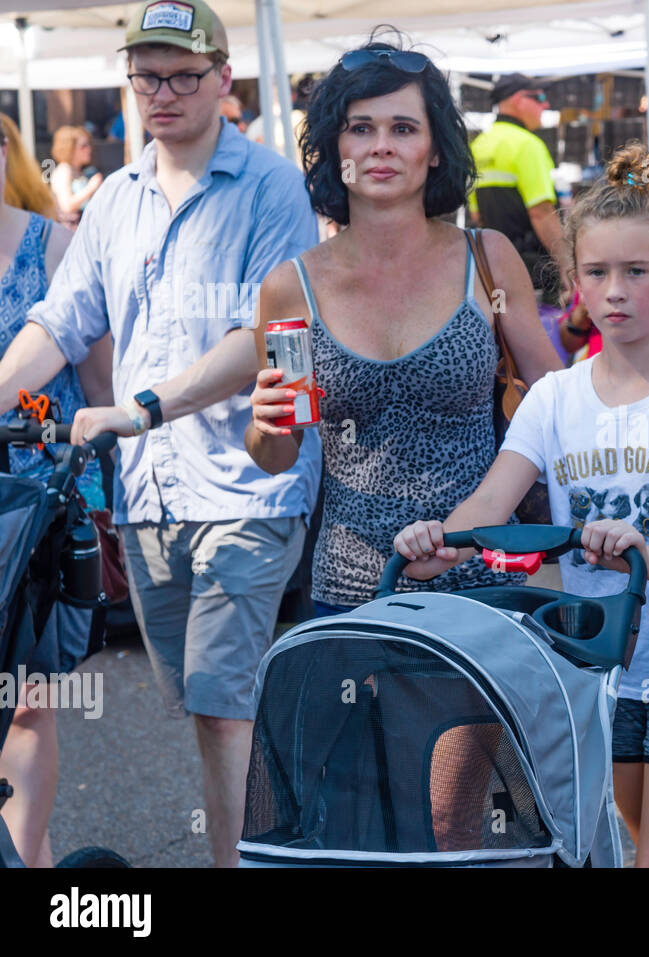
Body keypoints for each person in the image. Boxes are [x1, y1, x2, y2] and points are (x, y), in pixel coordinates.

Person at [0, 0, 321, 868]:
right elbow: (61, 321)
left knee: (221, 703)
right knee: (208, 704)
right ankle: (284, 837)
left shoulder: (270, 186)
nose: (164, 92)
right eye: (147, 75)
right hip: (151, 496)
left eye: (184, 75)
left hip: (249, 484)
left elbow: (263, 333)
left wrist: (138, 409)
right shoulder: (115, 199)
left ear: (224, 78)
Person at [394, 145, 649, 867]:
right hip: (598, 670)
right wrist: (438, 541)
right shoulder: (554, 397)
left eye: (638, 271)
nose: (616, 291)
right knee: (636, 851)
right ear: (574, 282)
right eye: (597, 273)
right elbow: (492, 500)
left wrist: (638, 551)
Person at [245, 39, 563, 614]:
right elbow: (278, 455)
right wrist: (265, 426)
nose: (381, 147)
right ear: (334, 147)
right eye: (360, 128)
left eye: (404, 128)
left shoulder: (485, 259)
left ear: (436, 149)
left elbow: (553, 403)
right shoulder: (291, 286)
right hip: (351, 593)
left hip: (488, 581)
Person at [0, 115, 112, 868]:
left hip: (38, 509)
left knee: (31, 696)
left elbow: (101, 387)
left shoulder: (56, 245)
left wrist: (109, 499)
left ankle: (23, 857)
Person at [468, 73, 565, 306]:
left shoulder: (478, 145)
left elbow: (477, 216)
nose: (545, 104)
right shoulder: (526, 144)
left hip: (492, 268)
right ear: (519, 99)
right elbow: (541, 212)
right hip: (533, 274)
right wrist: (566, 266)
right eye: (539, 97)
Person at [48, 125, 103, 226]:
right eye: (83, 146)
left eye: (89, 145)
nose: (89, 149)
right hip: (70, 232)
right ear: (69, 148)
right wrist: (91, 188)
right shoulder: (64, 170)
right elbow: (67, 206)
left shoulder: (78, 171)